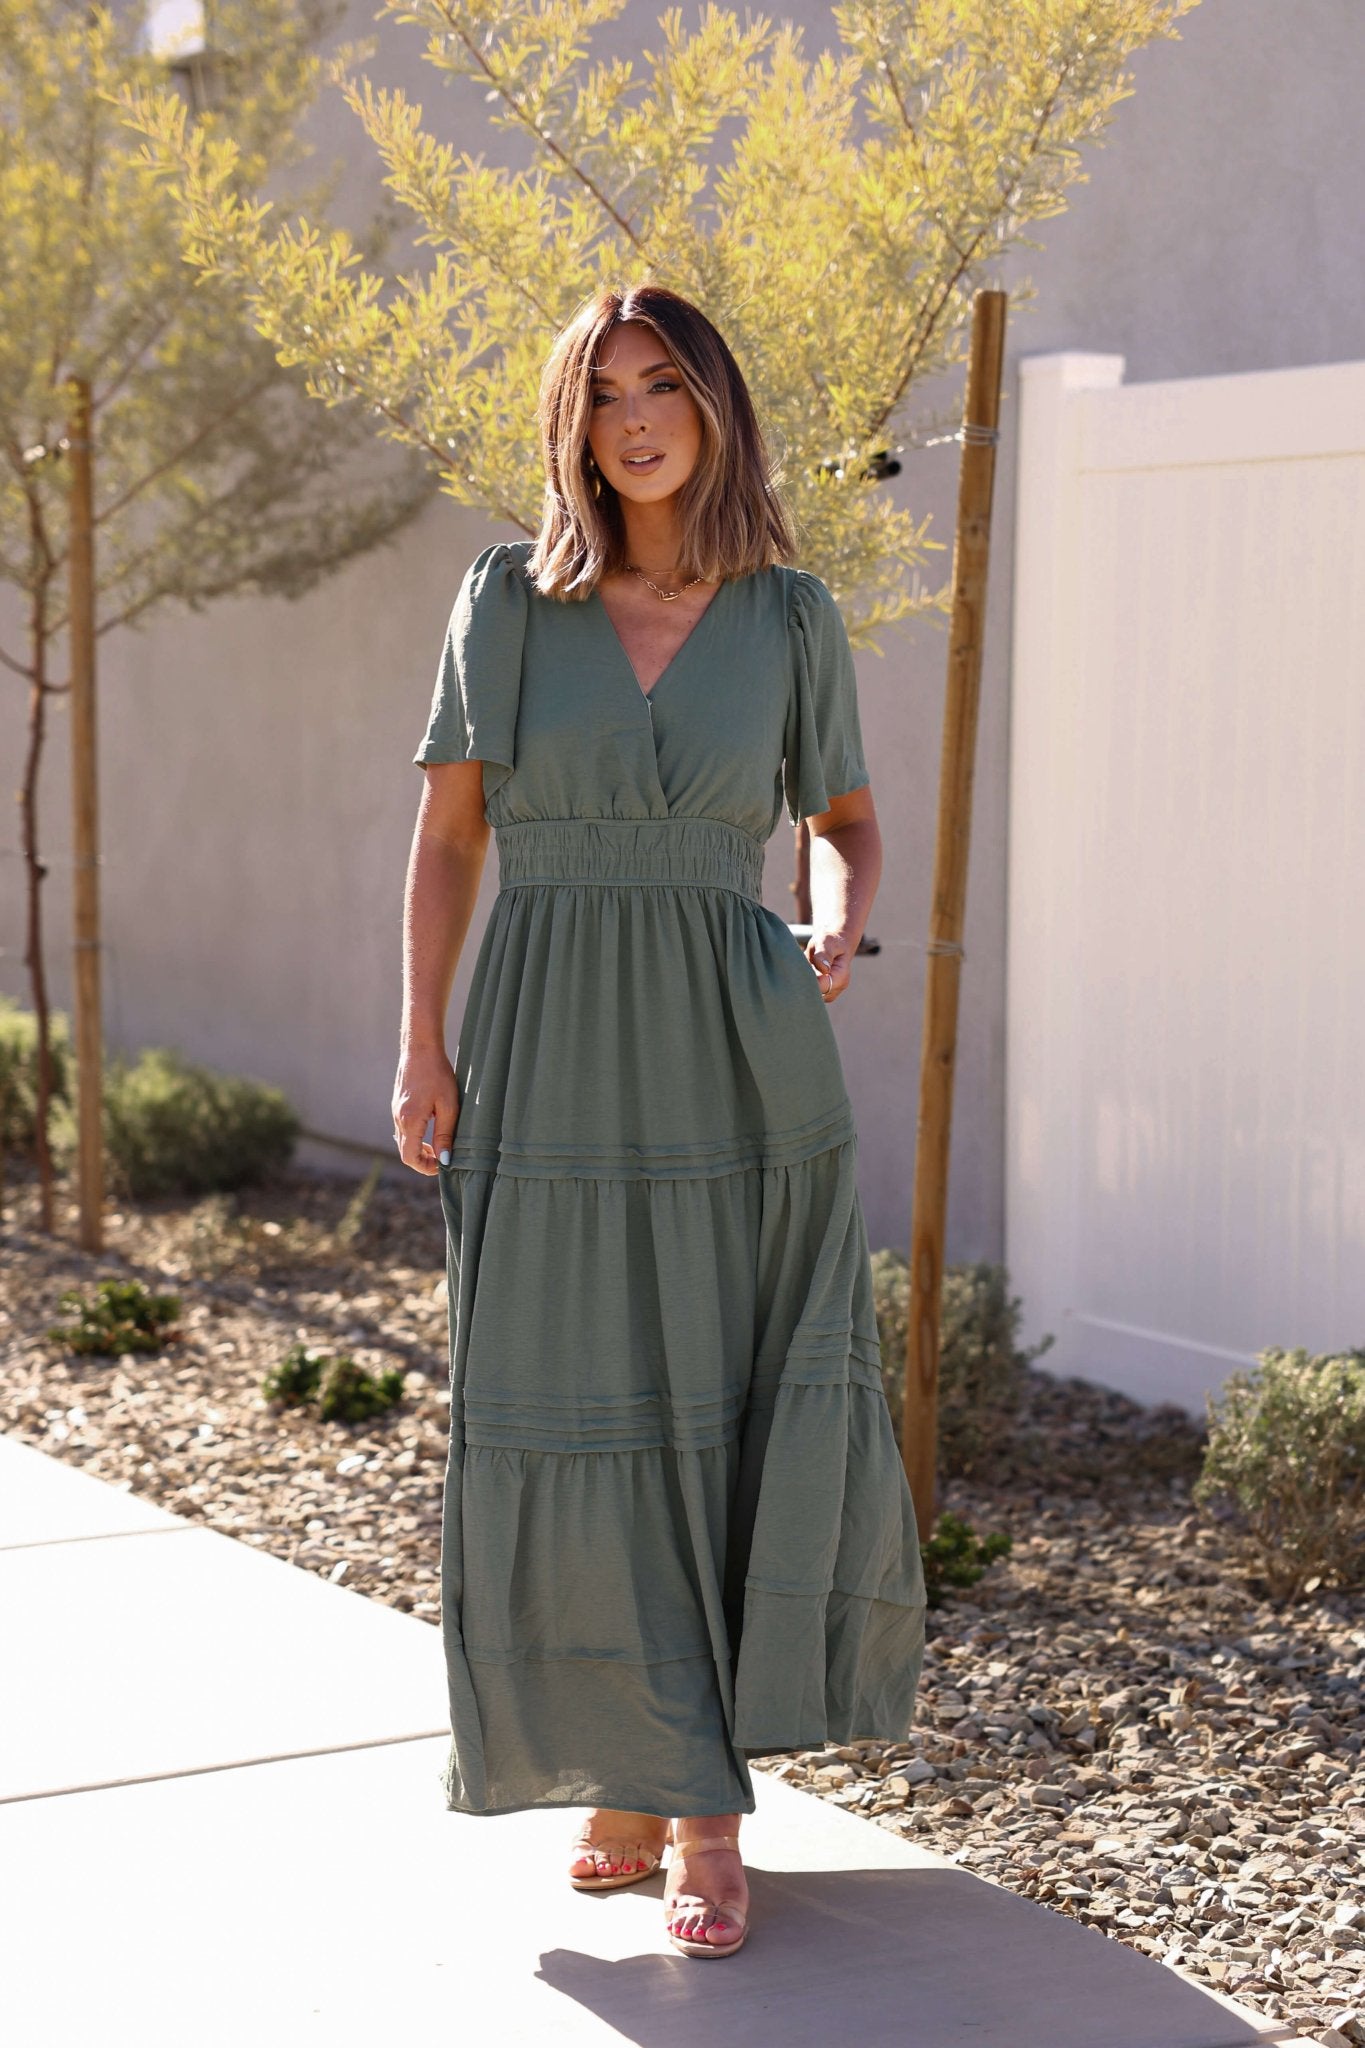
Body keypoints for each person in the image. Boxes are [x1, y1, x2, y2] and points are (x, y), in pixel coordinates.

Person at [394, 282, 927, 1960]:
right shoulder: (504, 601)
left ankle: (701, 1808)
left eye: (664, 387)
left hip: (734, 1042)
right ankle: (621, 1765)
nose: (634, 418)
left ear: (713, 408)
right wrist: (422, 1042)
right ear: (573, 422)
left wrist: (836, 913)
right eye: (604, 392)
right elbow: (450, 844)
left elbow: (843, 819)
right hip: (545, 1036)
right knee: (568, 1395)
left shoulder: (787, 616)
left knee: (714, 1398)